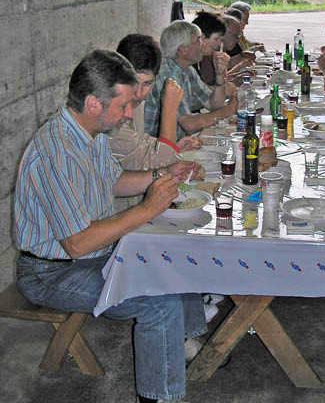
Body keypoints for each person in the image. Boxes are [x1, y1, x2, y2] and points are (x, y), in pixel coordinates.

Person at [14, 49, 206, 403]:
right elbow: (77, 243)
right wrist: (148, 208)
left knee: (174, 252)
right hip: (51, 273)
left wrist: (162, 173)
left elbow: (113, 182)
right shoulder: (57, 152)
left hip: (91, 255)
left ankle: (188, 343)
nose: (130, 113)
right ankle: (159, 396)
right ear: (93, 103)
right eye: (124, 105)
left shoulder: (92, 134)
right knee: (157, 303)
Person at [110, 34, 202, 212]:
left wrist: (175, 146)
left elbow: (139, 144)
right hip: (118, 214)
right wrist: (169, 108)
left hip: (135, 206)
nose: (138, 93)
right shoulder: (111, 114)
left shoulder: (134, 103)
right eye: (133, 82)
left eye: (147, 83)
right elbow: (160, 167)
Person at [144, 21, 237, 139]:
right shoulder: (166, 75)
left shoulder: (186, 69)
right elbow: (188, 124)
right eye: (198, 41)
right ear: (182, 49)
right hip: (155, 146)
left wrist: (219, 75)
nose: (202, 45)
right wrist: (230, 110)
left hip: (179, 142)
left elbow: (213, 104)